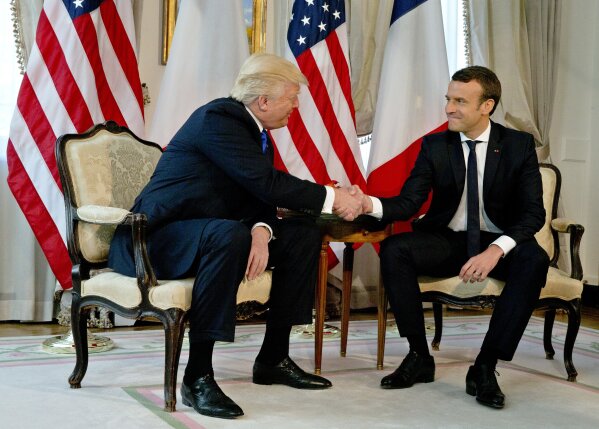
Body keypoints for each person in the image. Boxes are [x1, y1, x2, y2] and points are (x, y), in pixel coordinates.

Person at [108, 53, 363, 419]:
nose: (295, 106)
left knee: (302, 232)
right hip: (153, 241)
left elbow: (257, 193)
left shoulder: (253, 134)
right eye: (291, 98)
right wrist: (334, 196)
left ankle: (274, 357)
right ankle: (197, 377)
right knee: (228, 234)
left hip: (208, 234)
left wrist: (261, 231)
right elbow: (267, 183)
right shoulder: (218, 120)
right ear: (263, 101)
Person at [359, 66, 549, 409]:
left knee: (534, 259)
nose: (449, 108)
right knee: (394, 249)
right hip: (449, 239)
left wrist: (496, 249)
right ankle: (419, 356)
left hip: (500, 241)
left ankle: (485, 366)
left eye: (460, 101)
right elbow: (409, 203)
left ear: (486, 106)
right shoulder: (435, 145)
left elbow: (533, 214)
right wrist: (366, 203)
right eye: (448, 99)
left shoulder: (518, 146)